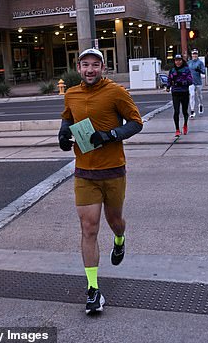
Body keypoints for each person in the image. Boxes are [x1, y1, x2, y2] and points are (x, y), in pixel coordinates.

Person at [58, 48, 143, 315]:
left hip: (113, 170)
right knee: (88, 228)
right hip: (85, 172)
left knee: (114, 221)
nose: (90, 69)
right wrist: (62, 135)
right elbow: (67, 118)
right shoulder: (71, 93)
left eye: (95, 65)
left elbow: (136, 122)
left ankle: (120, 239)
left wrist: (110, 135)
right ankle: (93, 290)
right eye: (85, 65)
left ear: (103, 68)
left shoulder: (116, 92)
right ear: (79, 67)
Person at [166, 54, 193, 136]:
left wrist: (181, 82)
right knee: (176, 111)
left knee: (185, 111)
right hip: (175, 93)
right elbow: (169, 79)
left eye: (179, 60)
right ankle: (177, 129)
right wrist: (168, 86)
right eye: (176, 60)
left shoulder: (186, 69)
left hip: (184, 92)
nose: (178, 62)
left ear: (182, 61)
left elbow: (190, 81)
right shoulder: (172, 70)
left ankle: (185, 124)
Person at [187, 49, 206, 117]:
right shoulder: (189, 62)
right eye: (193, 54)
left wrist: (199, 70)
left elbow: (204, 71)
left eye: (196, 54)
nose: (194, 55)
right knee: (192, 95)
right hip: (191, 82)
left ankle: (200, 104)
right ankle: (192, 110)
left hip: (198, 82)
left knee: (199, 95)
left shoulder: (200, 62)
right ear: (191, 55)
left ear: (197, 55)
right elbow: (186, 71)